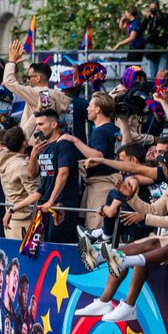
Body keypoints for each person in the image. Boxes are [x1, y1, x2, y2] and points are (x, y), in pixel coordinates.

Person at [75, 148, 168, 323]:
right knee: (136, 248)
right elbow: (154, 209)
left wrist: (145, 218)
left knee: (144, 248)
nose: (159, 169)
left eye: (161, 165)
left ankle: (101, 259)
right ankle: (105, 300)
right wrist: (131, 198)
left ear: (166, 168)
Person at [11, 109, 82, 244]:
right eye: (37, 124)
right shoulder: (42, 146)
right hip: (44, 208)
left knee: (58, 252)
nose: (38, 128)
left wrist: (51, 200)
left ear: (54, 124)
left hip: (61, 208)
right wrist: (33, 155)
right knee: (41, 250)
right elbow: (32, 175)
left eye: (41, 124)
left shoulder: (63, 144)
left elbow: (63, 173)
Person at [60, 92, 120, 231]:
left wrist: (73, 139)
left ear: (98, 109)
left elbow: (98, 156)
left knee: (96, 226)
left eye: (90, 106)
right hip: (112, 182)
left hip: (100, 186)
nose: (87, 109)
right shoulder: (115, 130)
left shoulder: (99, 132)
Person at [141, 0, 168, 77]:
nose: (153, 10)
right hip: (152, 48)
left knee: (162, 72)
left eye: (154, 8)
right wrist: (147, 18)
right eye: (151, 8)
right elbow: (141, 29)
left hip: (162, 46)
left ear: (158, 8)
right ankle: (154, 88)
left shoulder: (164, 16)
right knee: (152, 74)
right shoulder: (150, 18)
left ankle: (161, 87)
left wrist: (159, 18)